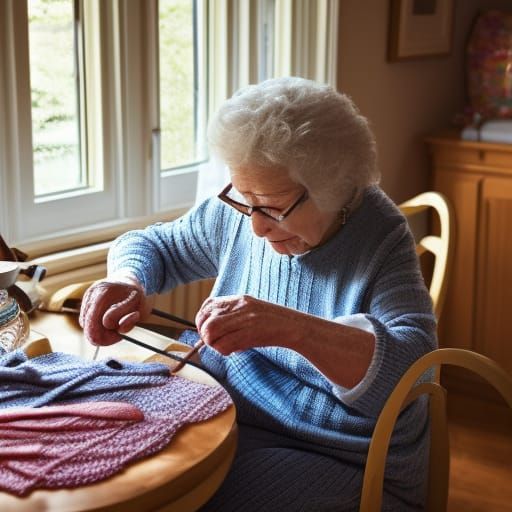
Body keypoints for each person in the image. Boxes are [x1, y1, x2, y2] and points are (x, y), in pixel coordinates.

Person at [79, 76, 436, 511]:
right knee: (108, 454)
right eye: (244, 200)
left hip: (344, 459)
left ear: (334, 189)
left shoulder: (380, 236)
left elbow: (414, 374)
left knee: (184, 498)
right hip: (234, 414)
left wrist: (289, 328)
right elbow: (154, 245)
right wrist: (129, 280)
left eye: (271, 207)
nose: (255, 225)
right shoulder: (248, 202)